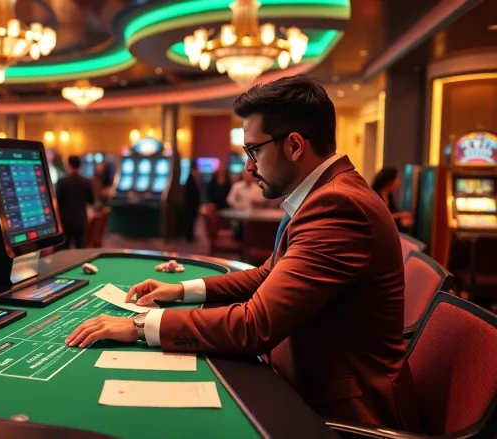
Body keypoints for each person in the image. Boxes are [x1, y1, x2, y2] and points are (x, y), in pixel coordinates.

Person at [66, 75, 420, 432]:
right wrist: (179, 290)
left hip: (346, 413)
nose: (249, 167)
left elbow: (255, 325)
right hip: (312, 381)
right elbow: (268, 274)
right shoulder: (329, 192)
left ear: (295, 145)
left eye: (254, 150)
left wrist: (139, 326)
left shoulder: (337, 204)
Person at [55, 155, 94, 249]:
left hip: (65, 223)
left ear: (68, 165)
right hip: (80, 221)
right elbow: (91, 201)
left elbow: (56, 203)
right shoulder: (86, 182)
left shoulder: (62, 182)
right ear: (80, 166)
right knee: (81, 251)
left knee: (63, 252)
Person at [183, 159, 201, 242]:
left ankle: (190, 236)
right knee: (189, 221)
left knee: (192, 221)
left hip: (193, 205)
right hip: (190, 205)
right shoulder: (189, 179)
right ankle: (188, 237)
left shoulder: (194, 179)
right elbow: (189, 194)